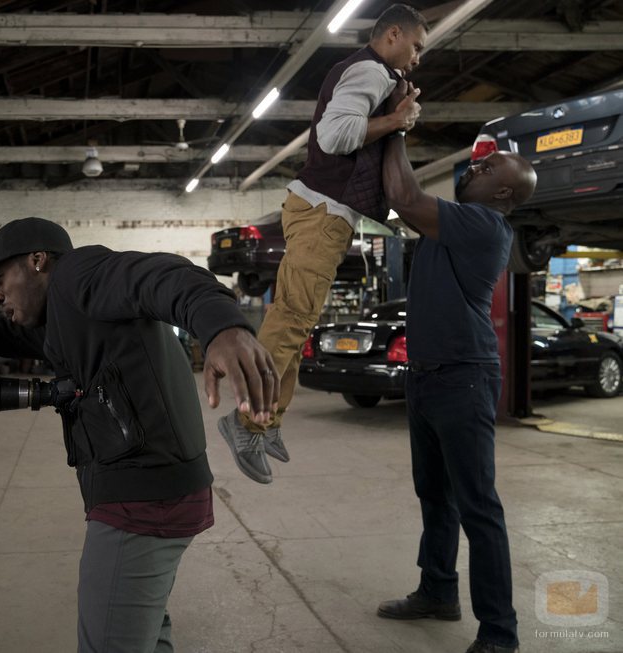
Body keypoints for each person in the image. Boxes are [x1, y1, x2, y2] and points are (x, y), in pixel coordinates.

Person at [0, 217, 279, 653]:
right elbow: (12, 334)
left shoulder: (78, 274)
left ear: (38, 260)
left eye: (0, 280)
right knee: (145, 634)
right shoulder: (65, 315)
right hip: (155, 489)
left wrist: (223, 328)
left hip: (142, 500)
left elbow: (162, 276)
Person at [218, 3, 427, 484]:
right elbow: (334, 136)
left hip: (320, 209)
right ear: (393, 34)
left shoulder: (372, 73)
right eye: (416, 46)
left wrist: (397, 114)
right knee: (292, 319)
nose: (417, 58)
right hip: (323, 212)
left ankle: (268, 419)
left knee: (296, 319)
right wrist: (395, 121)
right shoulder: (370, 71)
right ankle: (245, 423)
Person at [375, 82, 537, 653]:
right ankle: (438, 592)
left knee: (478, 506)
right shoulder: (453, 220)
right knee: (435, 495)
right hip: (427, 375)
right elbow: (404, 197)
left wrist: (394, 124)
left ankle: (500, 634)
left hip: (462, 377)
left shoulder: (484, 225)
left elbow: (403, 194)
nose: (476, 167)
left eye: (489, 168)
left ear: (505, 192)